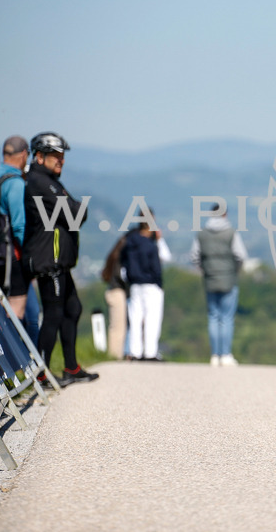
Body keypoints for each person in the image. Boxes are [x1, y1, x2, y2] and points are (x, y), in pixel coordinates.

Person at [24, 132, 99, 384]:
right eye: (56, 156)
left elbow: (74, 211)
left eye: (63, 156)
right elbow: (76, 213)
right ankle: (42, 372)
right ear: (39, 156)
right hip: (49, 260)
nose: (61, 161)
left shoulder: (50, 181)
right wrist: (75, 206)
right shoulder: (39, 182)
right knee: (54, 314)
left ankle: (71, 368)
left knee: (73, 308)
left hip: (60, 262)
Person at [190, 205, 248, 367]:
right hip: (229, 278)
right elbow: (240, 255)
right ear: (225, 214)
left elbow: (194, 256)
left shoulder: (202, 234)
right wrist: (234, 270)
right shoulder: (231, 233)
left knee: (213, 317)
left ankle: (214, 355)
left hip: (210, 278)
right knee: (227, 318)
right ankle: (225, 354)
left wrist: (204, 269)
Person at [0, 136, 32, 320]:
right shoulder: (15, 183)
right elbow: (19, 225)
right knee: (16, 313)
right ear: (24, 155)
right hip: (11, 257)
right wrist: (29, 257)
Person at [121, 214, 171, 361]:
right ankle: (150, 352)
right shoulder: (150, 246)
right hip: (151, 286)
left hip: (135, 285)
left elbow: (124, 265)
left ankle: (135, 352)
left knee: (135, 319)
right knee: (152, 319)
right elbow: (159, 265)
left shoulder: (129, 243)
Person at [101, 231, 131, 359]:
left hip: (112, 291)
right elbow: (120, 276)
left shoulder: (113, 255)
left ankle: (116, 355)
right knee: (118, 327)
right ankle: (115, 355)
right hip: (117, 292)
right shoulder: (120, 257)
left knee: (116, 326)